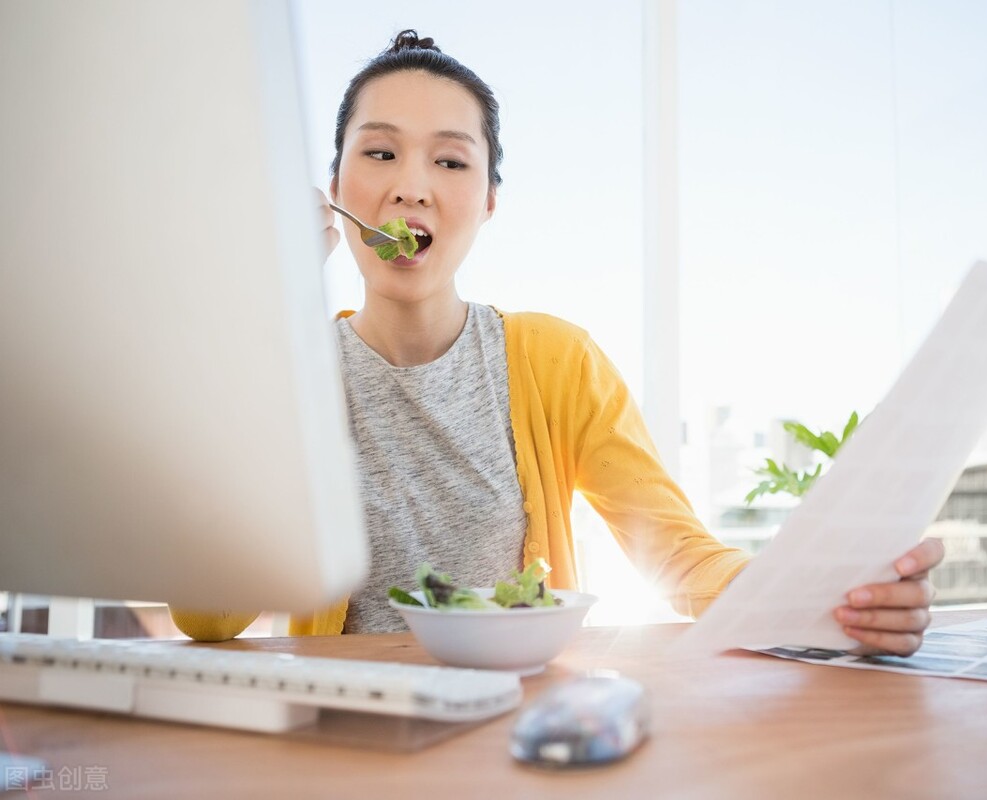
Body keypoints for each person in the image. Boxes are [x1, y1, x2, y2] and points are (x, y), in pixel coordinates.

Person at [171, 30, 943, 656]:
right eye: (379, 153)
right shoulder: (289, 371)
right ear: (335, 187)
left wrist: (827, 598)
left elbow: (679, 558)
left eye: (450, 160)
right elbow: (207, 618)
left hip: (517, 736)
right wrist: (267, 325)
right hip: (341, 736)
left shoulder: (555, 361)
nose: (411, 186)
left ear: (488, 201)